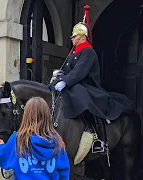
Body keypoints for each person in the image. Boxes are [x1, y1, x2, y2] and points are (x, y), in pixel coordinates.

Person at [50, 22, 124, 153]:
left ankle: (99, 138)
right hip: (75, 83)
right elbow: (70, 71)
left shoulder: (88, 52)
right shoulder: (74, 53)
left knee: (81, 95)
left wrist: (65, 81)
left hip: (88, 85)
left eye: (74, 36)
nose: (72, 38)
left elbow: (79, 72)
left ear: (82, 37)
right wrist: (61, 76)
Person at [0, 97, 70, 180]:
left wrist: (0, 147)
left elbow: (4, 160)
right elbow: (64, 172)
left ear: (26, 115)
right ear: (47, 115)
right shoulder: (57, 141)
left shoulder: (17, 139)